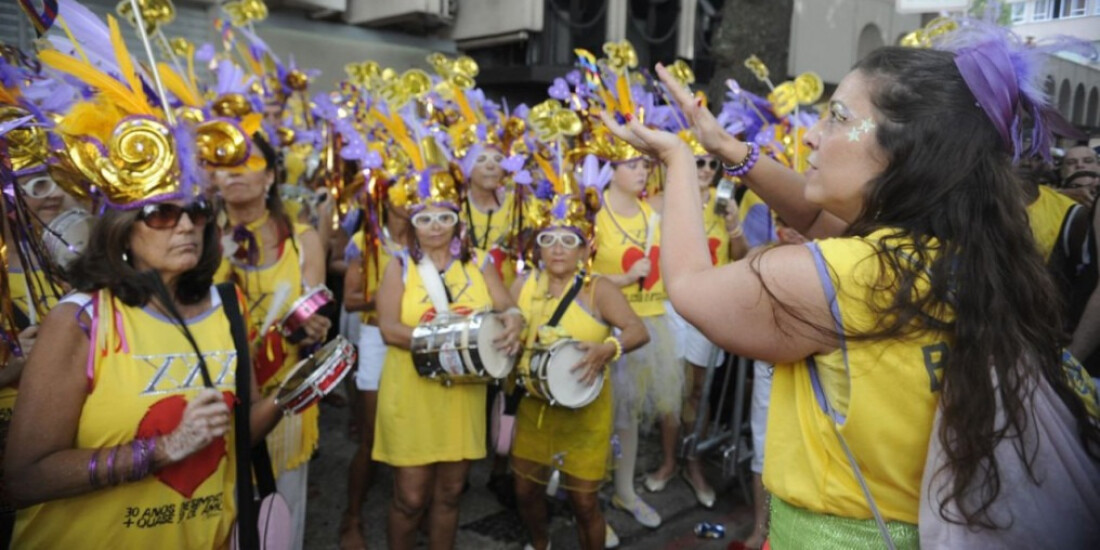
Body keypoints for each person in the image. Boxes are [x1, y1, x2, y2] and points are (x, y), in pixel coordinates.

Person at [600, 33, 1100, 548]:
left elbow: (688, 287)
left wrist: (679, 162)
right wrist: (726, 148)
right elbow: (816, 214)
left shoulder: (842, 276)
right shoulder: (957, 254)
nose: (813, 136)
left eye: (837, 116)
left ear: (904, 147)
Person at [373, 174, 524, 550]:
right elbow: (389, 330)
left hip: (462, 396)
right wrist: (458, 339)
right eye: (425, 218)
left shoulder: (479, 263)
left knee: (451, 492)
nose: (435, 226)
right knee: (409, 499)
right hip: (412, 393)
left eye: (444, 216)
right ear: (412, 224)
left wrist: (514, 321)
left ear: (458, 220)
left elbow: (508, 306)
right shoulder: (399, 267)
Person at [510, 182, 650, 550]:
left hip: (586, 412)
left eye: (568, 241)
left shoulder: (597, 289)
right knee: (525, 491)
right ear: (536, 246)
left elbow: (638, 330)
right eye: (548, 239)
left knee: (585, 502)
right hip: (533, 409)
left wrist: (609, 348)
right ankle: (540, 543)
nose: (557, 249)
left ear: (585, 248)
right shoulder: (523, 285)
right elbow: (503, 331)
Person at [214, 130, 330, 550]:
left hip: (284, 396)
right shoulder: (195, 239)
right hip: (214, 403)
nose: (235, 174)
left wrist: (315, 328)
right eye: (225, 165)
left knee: (279, 517)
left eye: (248, 164)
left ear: (269, 178)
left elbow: (314, 310)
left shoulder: (303, 240)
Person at [650, 141, 748, 510]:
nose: (706, 169)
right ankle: (668, 461)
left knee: (698, 391)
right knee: (670, 389)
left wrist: (734, 226)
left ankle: (693, 463)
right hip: (671, 304)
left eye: (711, 164)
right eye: (698, 163)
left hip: (709, 306)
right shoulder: (667, 203)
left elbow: (741, 258)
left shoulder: (724, 205)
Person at [339, 185, 410, 550]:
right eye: (403, 191)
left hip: (414, 339)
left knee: (414, 432)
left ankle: (410, 512)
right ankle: (352, 517)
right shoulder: (368, 239)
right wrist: (390, 296)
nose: (411, 198)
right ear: (385, 196)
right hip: (376, 339)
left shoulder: (429, 235)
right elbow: (350, 300)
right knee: (371, 436)